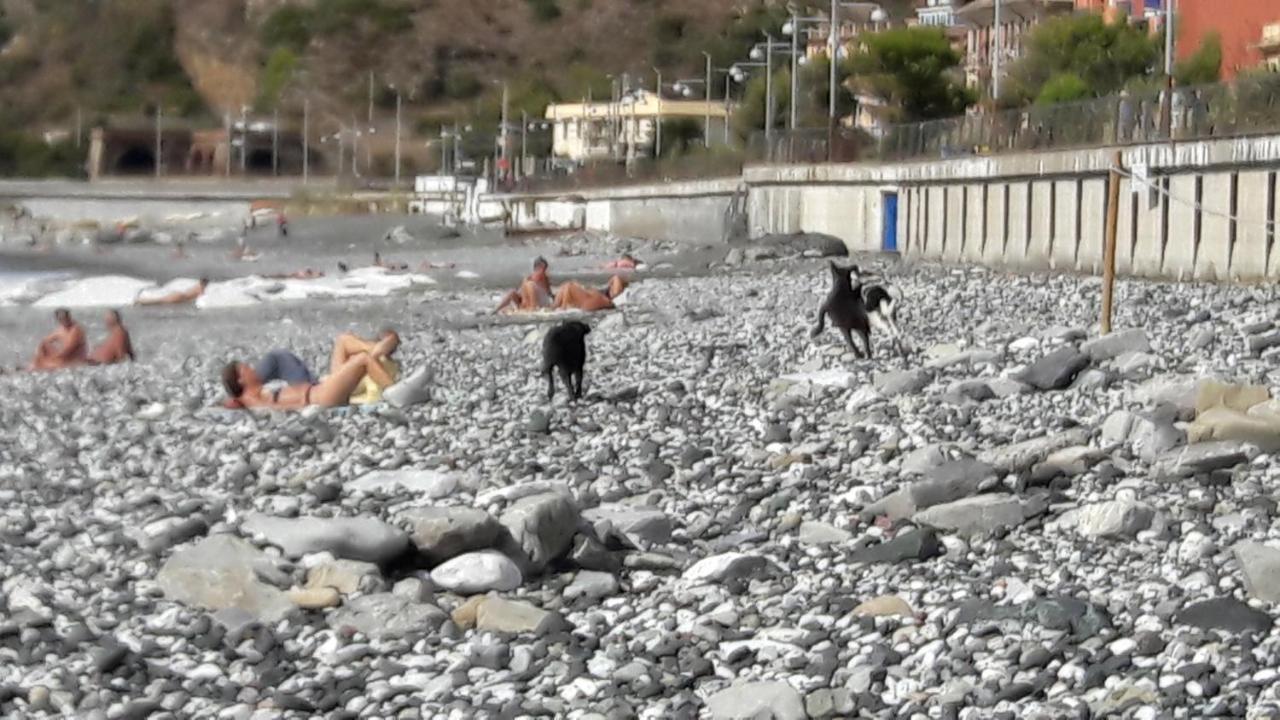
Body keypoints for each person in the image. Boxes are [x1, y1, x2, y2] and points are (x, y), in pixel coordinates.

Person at [221, 331, 400, 410]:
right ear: (240, 380)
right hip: (319, 397)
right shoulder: (252, 398)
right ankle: (395, 391)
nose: (253, 369)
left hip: (320, 388)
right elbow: (275, 408)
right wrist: (302, 407)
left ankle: (378, 348)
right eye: (246, 369)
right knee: (362, 360)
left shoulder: (259, 391)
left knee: (343, 340)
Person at [552, 274, 629, 312]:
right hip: (595, 295)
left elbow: (616, 277)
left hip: (596, 297)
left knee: (568, 286)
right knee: (566, 286)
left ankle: (560, 307)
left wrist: (611, 282)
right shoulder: (608, 293)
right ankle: (557, 306)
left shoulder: (613, 295)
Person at [137, 278, 209, 306]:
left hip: (179, 294)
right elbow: (201, 297)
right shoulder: (200, 289)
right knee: (159, 301)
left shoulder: (196, 286)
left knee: (159, 300)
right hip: (180, 297)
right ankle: (141, 301)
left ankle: (141, 301)